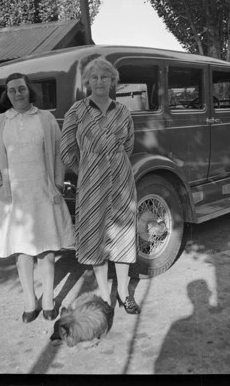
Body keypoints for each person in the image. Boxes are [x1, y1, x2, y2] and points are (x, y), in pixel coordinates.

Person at [0, 73, 74, 323]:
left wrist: (57, 184)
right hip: (15, 198)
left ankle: (48, 299)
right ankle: (29, 301)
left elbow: (58, 154)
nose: (17, 94)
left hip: (44, 194)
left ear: (29, 91)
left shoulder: (45, 119)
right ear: (7, 94)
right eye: (12, 90)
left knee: (46, 250)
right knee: (22, 252)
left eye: (21, 89)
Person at [60, 57, 140, 314]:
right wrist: (87, 169)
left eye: (105, 77)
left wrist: (112, 163)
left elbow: (128, 146)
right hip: (91, 182)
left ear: (112, 80)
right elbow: (67, 150)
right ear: (87, 82)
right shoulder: (77, 111)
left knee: (123, 237)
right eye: (94, 77)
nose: (99, 82)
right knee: (95, 238)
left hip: (121, 182)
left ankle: (124, 294)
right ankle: (106, 297)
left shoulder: (123, 111)